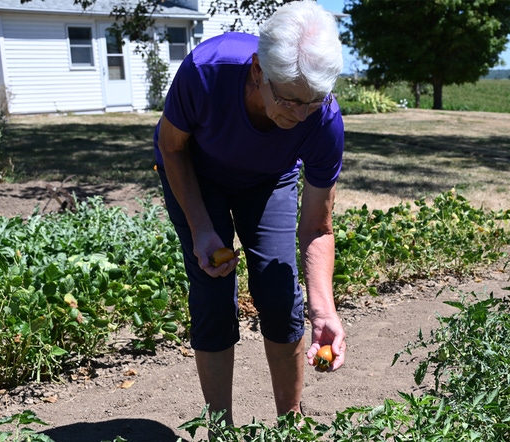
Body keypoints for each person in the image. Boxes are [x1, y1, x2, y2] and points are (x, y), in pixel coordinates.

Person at [153, 0, 346, 424]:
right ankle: (220, 429)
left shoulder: (323, 118)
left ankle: (290, 425)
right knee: (212, 294)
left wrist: (324, 310)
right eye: (289, 100)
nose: (298, 116)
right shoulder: (207, 71)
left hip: (268, 178)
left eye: (310, 103)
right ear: (258, 70)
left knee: (280, 294)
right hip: (195, 171)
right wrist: (202, 228)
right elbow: (170, 146)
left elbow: (316, 226)